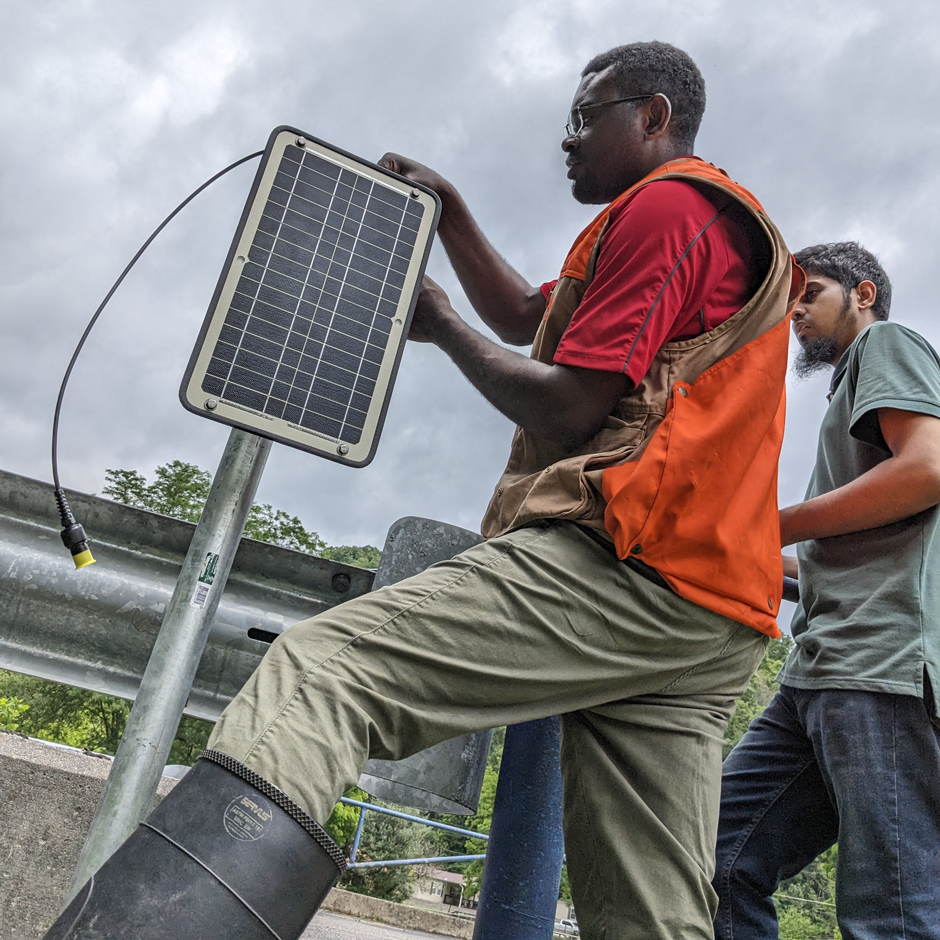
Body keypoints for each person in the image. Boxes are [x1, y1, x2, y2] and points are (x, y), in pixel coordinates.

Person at [44, 42, 800, 940]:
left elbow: (568, 408)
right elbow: (528, 315)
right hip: (711, 617)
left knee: (323, 673)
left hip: (633, 562)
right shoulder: (680, 225)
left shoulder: (672, 209)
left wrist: (439, 325)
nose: (565, 140)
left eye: (583, 116)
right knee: (652, 914)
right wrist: (449, 212)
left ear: (652, 117)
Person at [713, 242, 940, 940]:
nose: (797, 310)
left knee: (890, 916)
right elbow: (821, 558)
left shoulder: (887, 345)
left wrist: (767, 523)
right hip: (817, 671)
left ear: (863, 294)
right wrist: (718, 545)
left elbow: (928, 470)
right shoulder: (846, 398)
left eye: (809, 292)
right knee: (717, 860)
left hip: (879, 669)